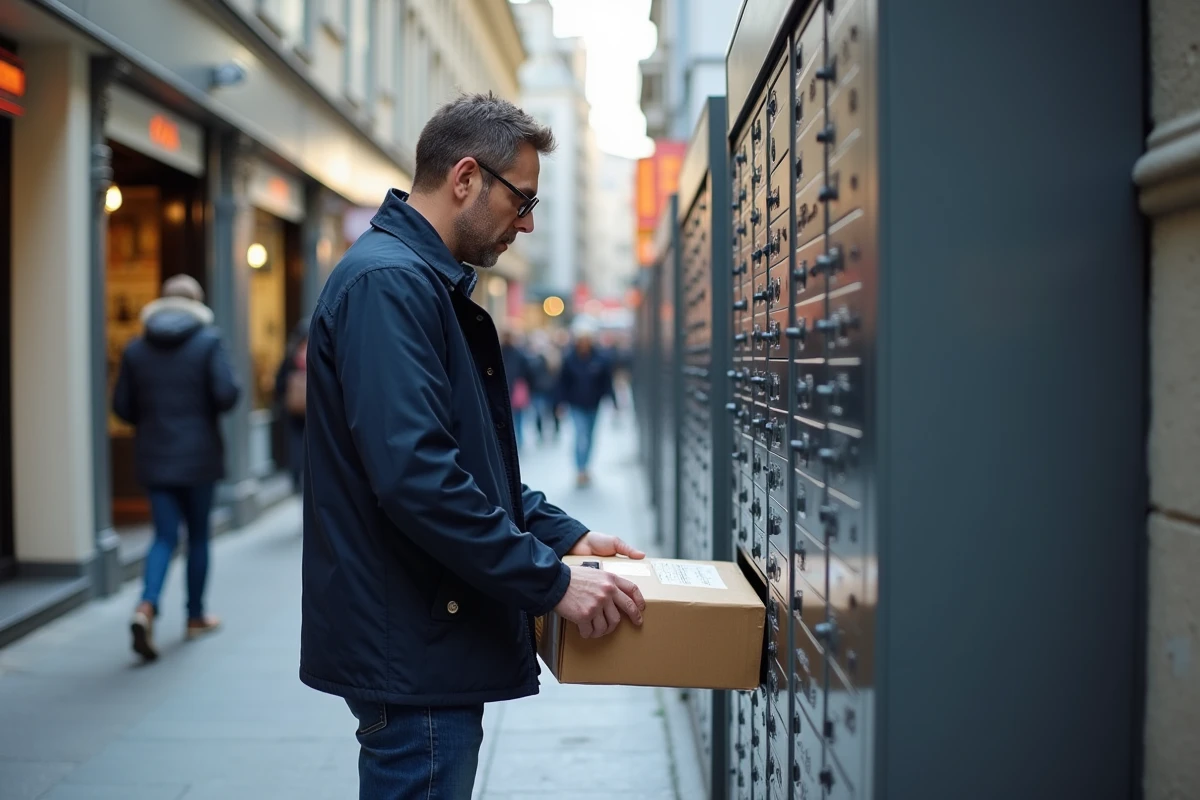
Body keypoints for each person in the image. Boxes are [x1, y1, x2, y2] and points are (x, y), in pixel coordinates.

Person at [299, 93, 647, 800]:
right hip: (414, 642)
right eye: (521, 199)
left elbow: (467, 466)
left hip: (425, 632)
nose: (526, 222)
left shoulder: (416, 281)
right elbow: (418, 478)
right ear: (465, 178)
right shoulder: (392, 284)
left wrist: (566, 535)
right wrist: (550, 582)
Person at [112, 274, 241, 661]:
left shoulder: (136, 349)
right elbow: (227, 394)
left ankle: (146, 606)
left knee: (164, 535)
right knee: (198, 535)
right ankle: (195, 616)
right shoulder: (208, 342)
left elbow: (122, 407)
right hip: (199, 456)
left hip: (154, 455)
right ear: (197, 304)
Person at [557, 320, 616, 488]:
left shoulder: (601, 359)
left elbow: (607, 382)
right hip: (575, 404)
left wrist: (613, 402)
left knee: (590, 437)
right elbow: (562, 383)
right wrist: (559, 403)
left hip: (593, 405)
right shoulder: (569, 359)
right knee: (580, 435)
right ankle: (580, 469)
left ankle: (586, 466)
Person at [274, 319, 310, 493]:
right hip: (303, 413)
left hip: (298, 413)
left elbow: (279, 384)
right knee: (300, 447)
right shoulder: (317, 352)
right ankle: (299, 479)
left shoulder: (292, 355)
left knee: (299, 446)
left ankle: (298, 479)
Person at [499, 329, 531, 448]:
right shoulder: (517, 353)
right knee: (516, 418)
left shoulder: (514, 353)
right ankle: (517, 441)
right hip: (510, 388)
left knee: (514, 418)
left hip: (511, 389)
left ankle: (516, 441)